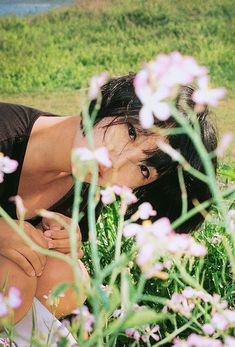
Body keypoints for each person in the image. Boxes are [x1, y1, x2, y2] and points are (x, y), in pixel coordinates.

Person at [0, 74, 217, 326]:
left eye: (144, 169)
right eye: (132, 132)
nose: (117, 162)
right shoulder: (5, 131)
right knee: (14, 279)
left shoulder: (88, 194)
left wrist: (58, 243)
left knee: (68, 276)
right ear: (115, 101)